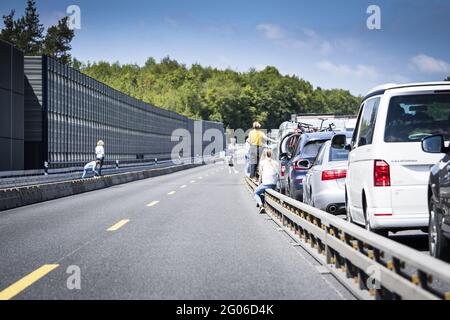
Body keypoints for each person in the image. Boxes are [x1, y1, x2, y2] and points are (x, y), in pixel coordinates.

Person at [254, 149, 279, 214]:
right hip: (273, 184)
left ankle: (261, 205)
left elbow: (260, 175)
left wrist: (259, 184)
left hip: (266, 184)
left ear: (264, 154)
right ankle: (262, 202)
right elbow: (278, 174)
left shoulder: (262, 162)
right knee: (262, 191)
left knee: (256, 193)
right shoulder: (276, 162)